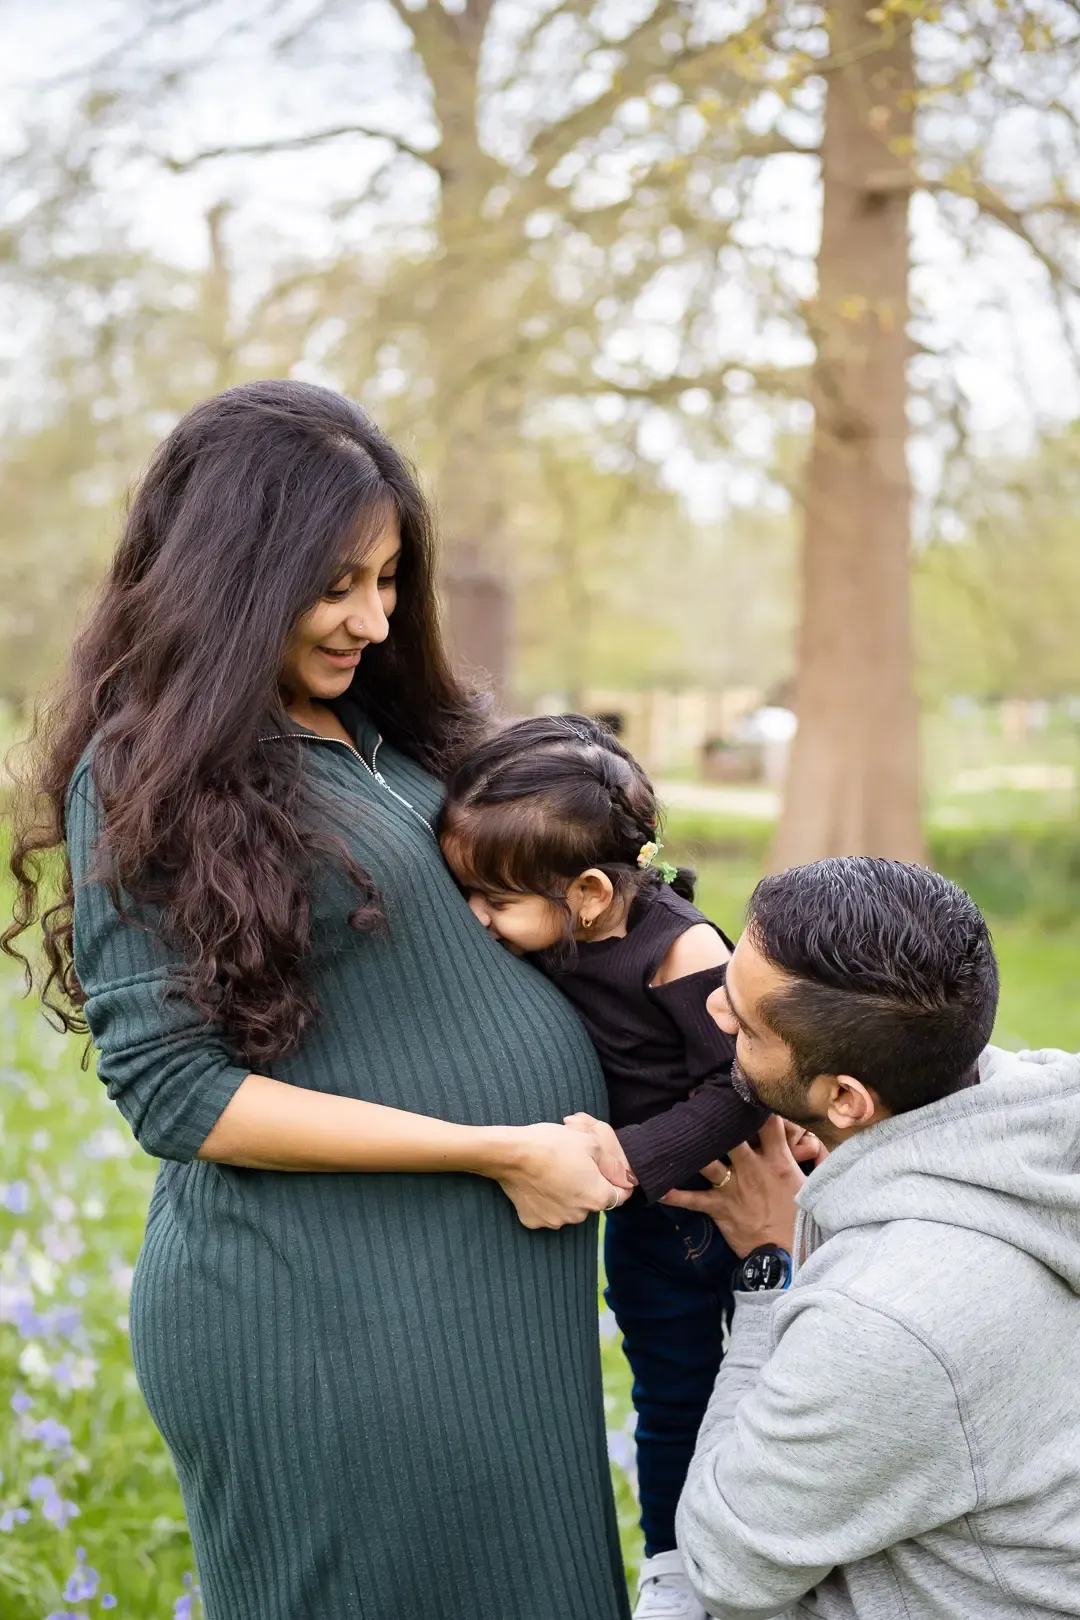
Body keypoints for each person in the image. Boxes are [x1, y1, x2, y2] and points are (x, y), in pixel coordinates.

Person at [3, 381, 635, 1620]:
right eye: (336, 583)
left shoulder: (393, 741)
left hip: (489, 1316)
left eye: (390, 580)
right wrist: (495, 1148)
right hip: (326, 1317)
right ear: (233, 575)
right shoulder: (154, 770)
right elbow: (177, 1094)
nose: (374, 618)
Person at [439, 715, 815, 1620]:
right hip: (651, 1233)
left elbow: (743, 1089)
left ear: (595, 892)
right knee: (671, 1396)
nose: (478, 923)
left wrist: (629, 1156)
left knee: (774, 1383)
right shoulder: (560, 934)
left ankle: (787, 1553)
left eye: (493, 903)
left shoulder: (684, 951)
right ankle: (675, 1563)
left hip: (724, 1203)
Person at [664, 856, 1080, 1620]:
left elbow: (725, 1568)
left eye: (744, 1019)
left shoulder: (883, 1322)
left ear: (848, 1099)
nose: (715, 1011)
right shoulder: (1043, 1118)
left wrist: (776, 1265)